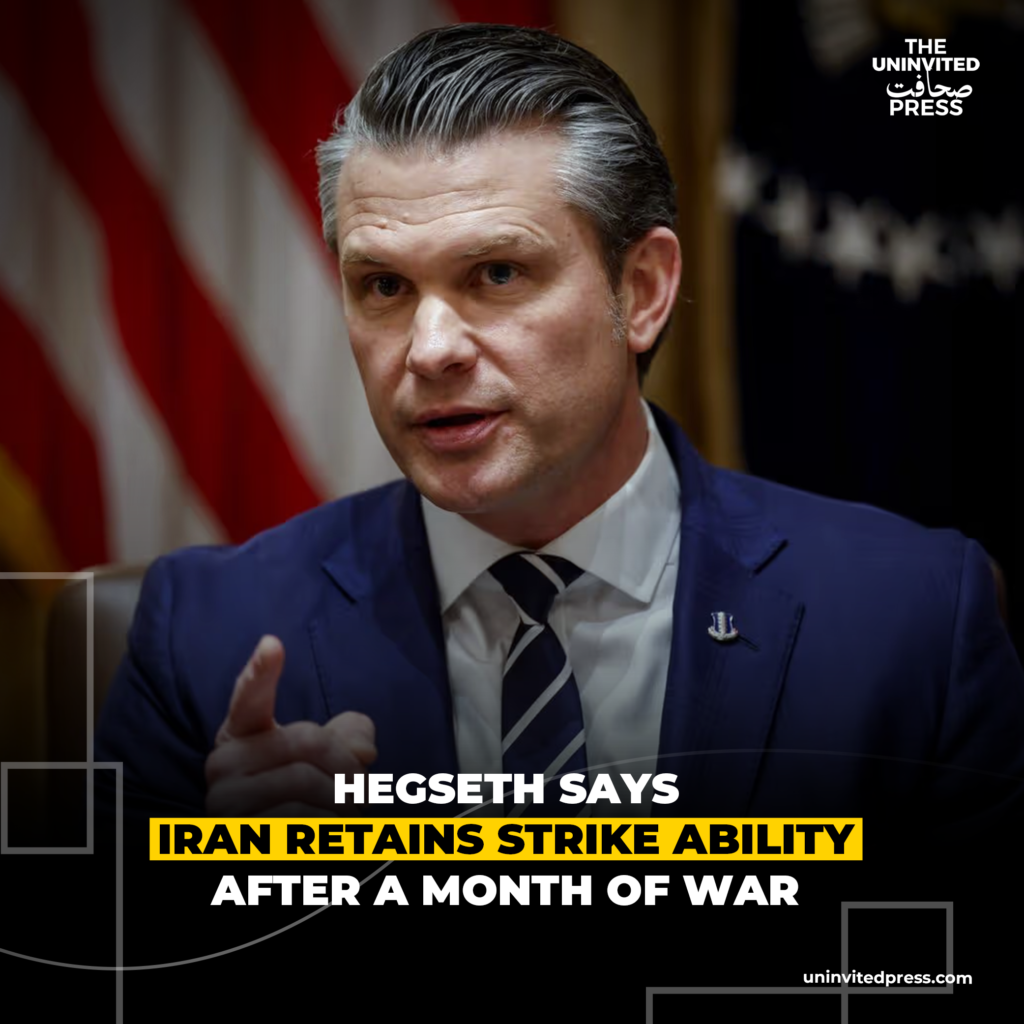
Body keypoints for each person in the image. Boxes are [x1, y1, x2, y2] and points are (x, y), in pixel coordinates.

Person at [96, 23, 1024, 824]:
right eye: (383, 286)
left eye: (497, 274)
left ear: (643, 291)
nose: (429, 350)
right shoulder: (203, 638)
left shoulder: (911, 621)